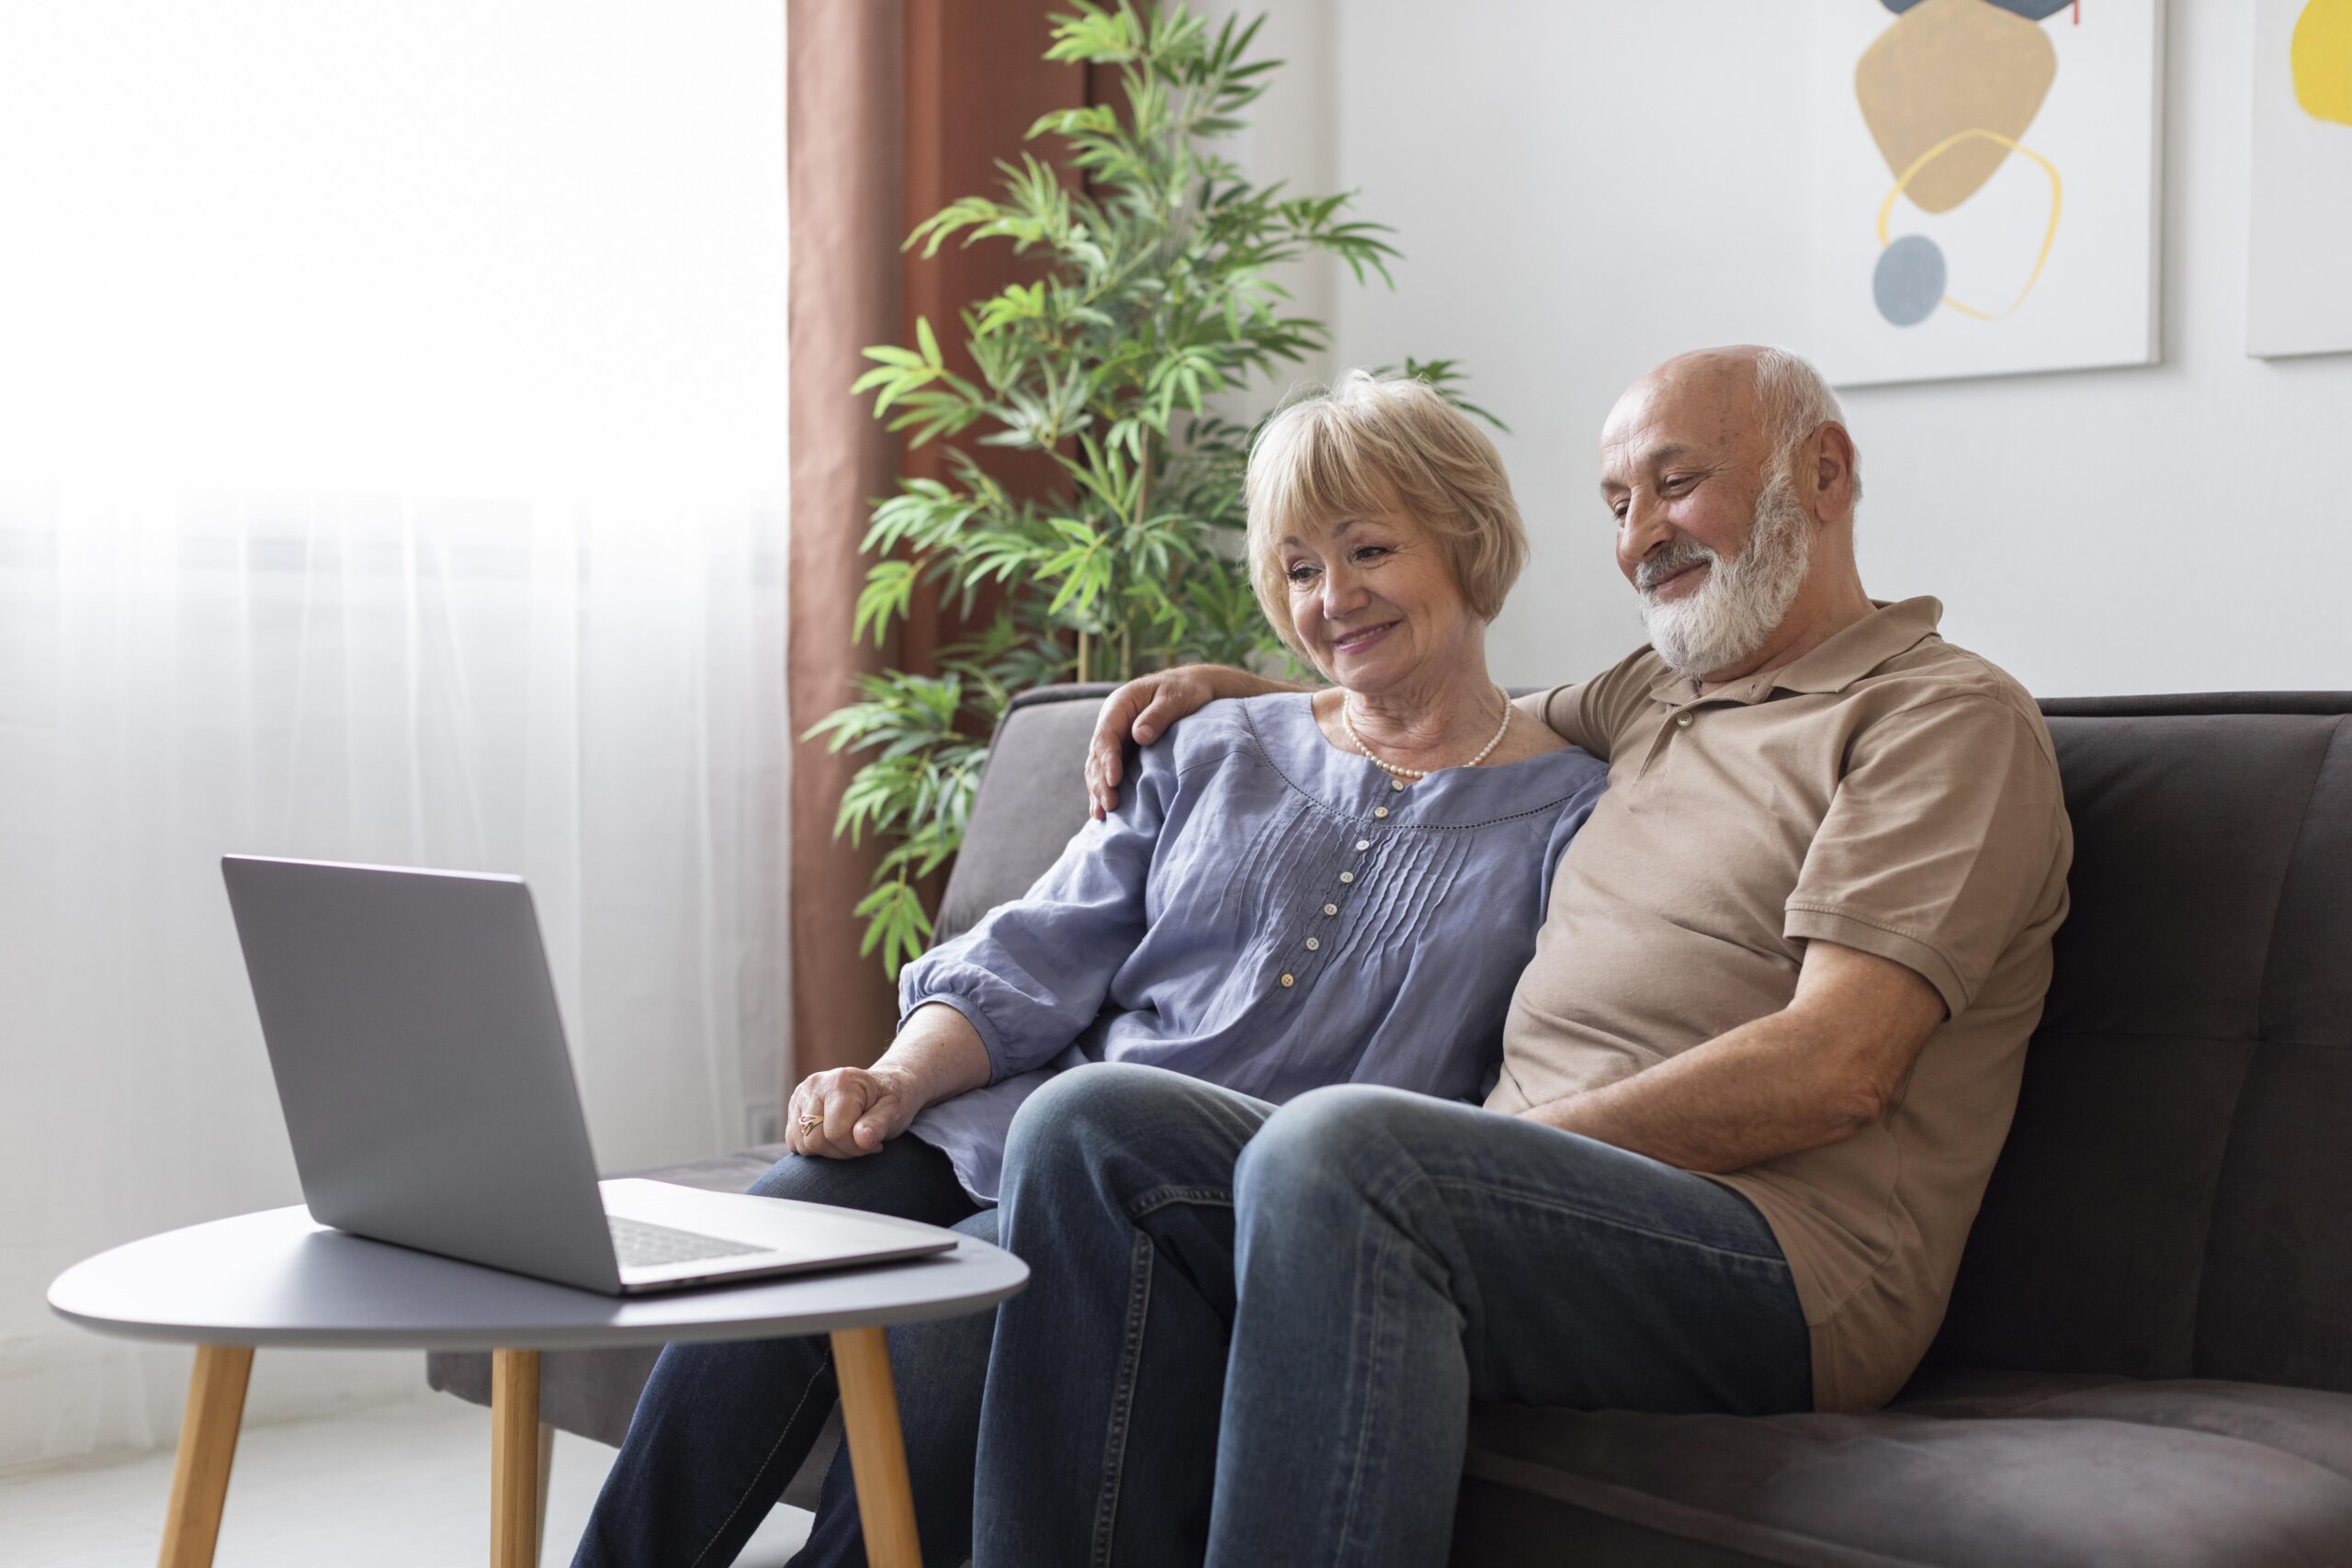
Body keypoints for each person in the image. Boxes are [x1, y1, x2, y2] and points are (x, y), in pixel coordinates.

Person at [974, 344, 2075, 1566]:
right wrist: (1244, 696)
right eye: (1617, 504)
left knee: (1344, 1147)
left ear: (1822, 473)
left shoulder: (1939, 718)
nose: (1641, 533)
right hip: (1516, 1198)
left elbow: (1839, 1066)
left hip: (1780, 1256)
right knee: (1090, 1125)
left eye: (1676, 482)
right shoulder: (1654, 696)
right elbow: (1430, 713)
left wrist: (1504, 1156)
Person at [569, 370, 1609, 1568]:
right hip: (1008, 1129)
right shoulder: (1211, 745)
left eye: (1369, 549)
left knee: (955, 1337)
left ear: (1468, 542)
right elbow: (1035, 954)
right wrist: (897, 1079)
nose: (1334, 598)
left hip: (1203, 1210)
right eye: (1301, 568)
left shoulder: (1574, 816)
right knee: (787, 1237)